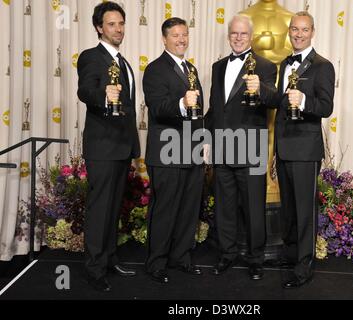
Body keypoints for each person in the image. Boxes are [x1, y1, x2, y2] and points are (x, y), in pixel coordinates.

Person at [205, 15, 277, 280]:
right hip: (222, 147)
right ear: (228, 35)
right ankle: (226, 254)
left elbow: (274, 99)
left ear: (251, 36)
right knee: (224, 207)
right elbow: (215, 109)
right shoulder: (217, 66)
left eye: (243, 34)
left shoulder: (266, 66)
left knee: (254, 208)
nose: (238, 38)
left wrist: (260, 90)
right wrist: (206, 139)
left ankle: (256, 259)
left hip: (250, 150)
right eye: (234, 33)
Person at [77, 1, 140, 292]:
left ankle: (109, 258)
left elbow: (129, 111)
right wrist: (103, 94)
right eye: (111, 24)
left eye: (121, 23)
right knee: (100, 208)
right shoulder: (92, 57)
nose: (118, 29)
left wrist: (134, 150)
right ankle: (93, 269)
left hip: (121, 148)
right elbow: (85, 90)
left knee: (114, 208)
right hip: (102, 148)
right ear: (99, 28)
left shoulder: (124, 63)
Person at [274, 11, 335, 288]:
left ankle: (305, 264)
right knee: (288, 209)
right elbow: (280, 112)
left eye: (304, 30)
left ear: (313, 32)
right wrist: (275, 151)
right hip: (285, 147)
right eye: (294, 29)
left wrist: (304, 99)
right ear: (289, 31)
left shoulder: (322, 66)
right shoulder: (284, 64)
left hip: (306, 150)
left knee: (305, 210)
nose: (298, 34)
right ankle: (290, 254)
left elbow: (325, 107)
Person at [143, 17, 205, 284]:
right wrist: (181, 103)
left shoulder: (190, 69)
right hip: (167, 152)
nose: (181, 40)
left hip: (192, 152)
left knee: (189, 209)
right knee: (165, 209)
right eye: (175, 35)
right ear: (164, 39)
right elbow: (157, 107)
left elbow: (199, 112)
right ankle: (156, 262)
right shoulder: (155, 69)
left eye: (185, 35)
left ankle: (181, 257)